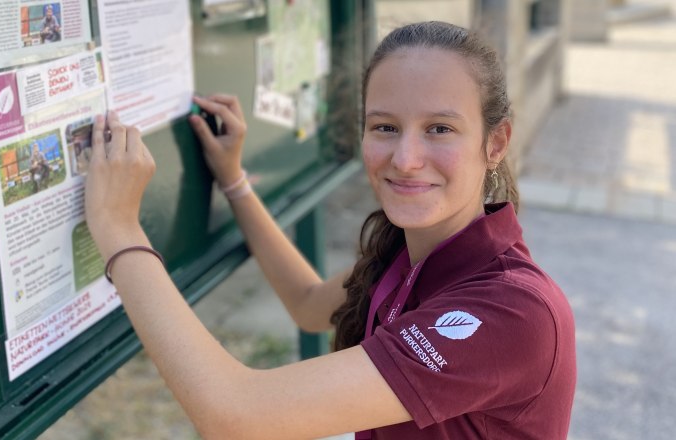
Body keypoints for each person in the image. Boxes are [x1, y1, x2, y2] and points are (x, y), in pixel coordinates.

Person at [84, 21, 576, 439]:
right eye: (384, 126)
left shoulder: (513, 312)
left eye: (439, 129)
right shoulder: (412, 255)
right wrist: (234, 180)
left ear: (496, 142)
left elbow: (235, 414)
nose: (405, 159)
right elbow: (307, 302)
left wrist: (118, 228)